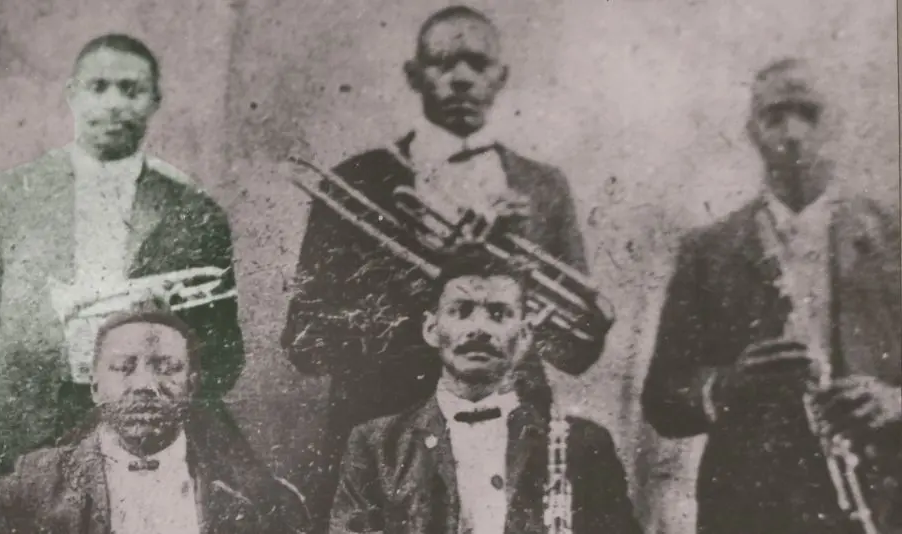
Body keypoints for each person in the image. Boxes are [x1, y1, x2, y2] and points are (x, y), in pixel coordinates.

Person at [281, 6, 595, 529]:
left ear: (501, 77)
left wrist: (514, 273)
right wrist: (430, 275)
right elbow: (306, 343)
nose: (462, 78)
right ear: (414, 75)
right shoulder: (354, 182)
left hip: (515, 442)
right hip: (384, 445)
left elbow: (577, 351)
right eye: (443, 63)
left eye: (478, 63)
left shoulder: (544, 188)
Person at [0, 33, 245, 522]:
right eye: (98, 87)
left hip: (145, 446)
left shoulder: (196, 212)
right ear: (72, 94)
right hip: (24, 444)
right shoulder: (8, 198)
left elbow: (225, 360)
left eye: (132, 90)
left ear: (155, 101)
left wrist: (167, 331)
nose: (114, 104)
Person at [642, 58, 901, 534]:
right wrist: (725, 388)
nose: (794, 133)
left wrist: (895, 401)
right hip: (748, 510)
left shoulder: (892, 236)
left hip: (881, 502)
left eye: (809, 113)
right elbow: (662, 400)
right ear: (751, 132)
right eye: (775, 116)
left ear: (838, 123)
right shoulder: (709, 249)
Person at [330, 245, 639, 534]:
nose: (479, 328)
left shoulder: (583, 445)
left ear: (524, 334)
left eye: (498, 314)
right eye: (461, 311)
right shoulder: (377, 445)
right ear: (431, 329)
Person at [0, 304, 309, 534]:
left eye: (167, 368)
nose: (145, 385)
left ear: (192, 385)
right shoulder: (38, 481)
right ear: (94, 386)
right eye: (123, 367)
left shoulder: (250, 490)